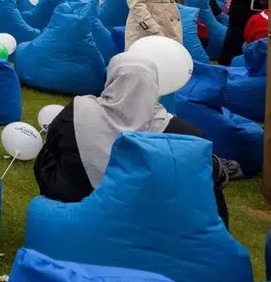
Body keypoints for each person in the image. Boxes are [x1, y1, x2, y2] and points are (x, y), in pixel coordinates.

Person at [34, 52, 235, 224]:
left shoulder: (78, 109)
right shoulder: (182, 132)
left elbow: (49, 151)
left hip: (76, 202)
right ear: (154, 84)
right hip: (148, 217)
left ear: (111, 79)